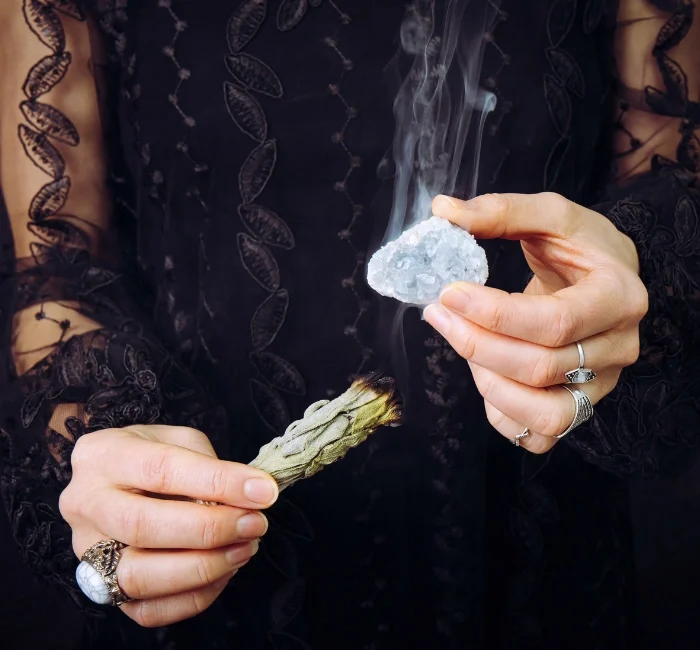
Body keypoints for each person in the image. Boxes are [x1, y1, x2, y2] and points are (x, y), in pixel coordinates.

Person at [0, 0, 698, 648]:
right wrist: (101, 450)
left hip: (534, 537)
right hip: (214, 558)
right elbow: (57, 265)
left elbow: (675, 182)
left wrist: (629, 279)